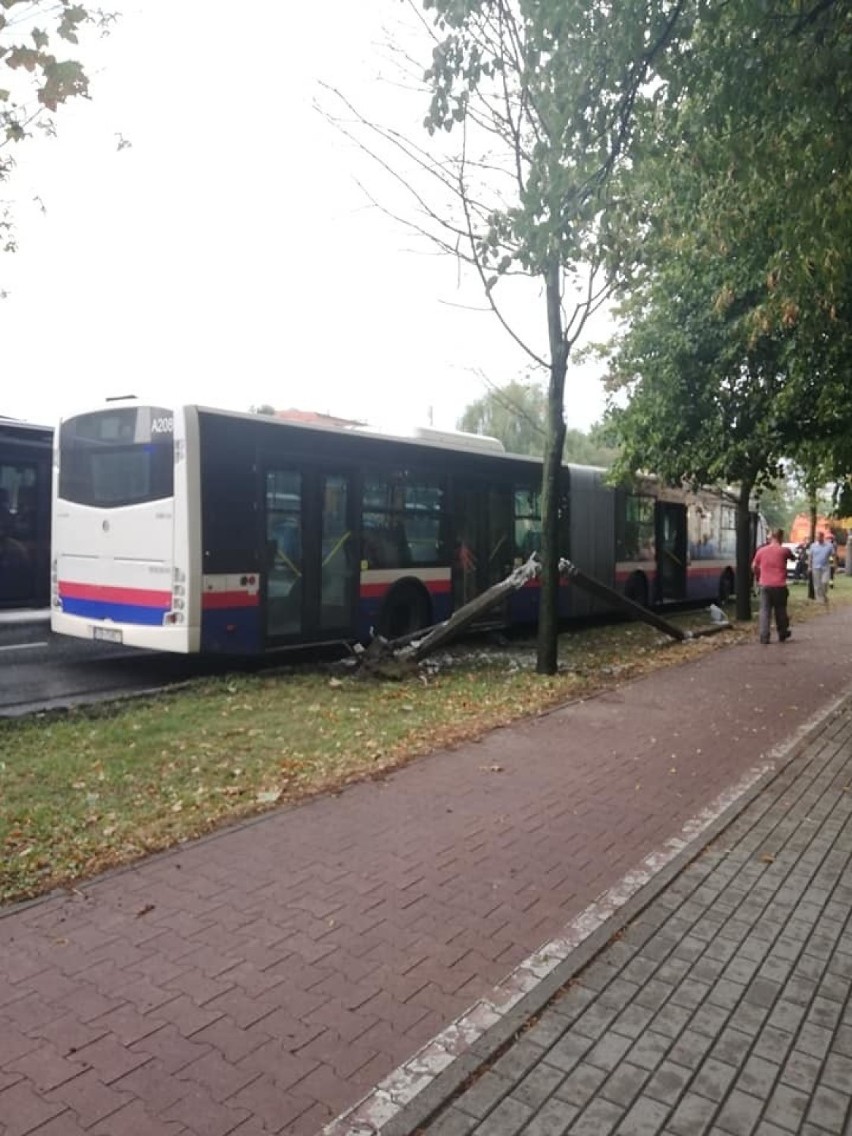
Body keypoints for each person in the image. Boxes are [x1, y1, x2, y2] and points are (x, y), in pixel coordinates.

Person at [751, 528, 794, 644]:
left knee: (765, 611)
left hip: (765, 584)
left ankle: (764, 636)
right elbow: (792, 557)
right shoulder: (784, 551)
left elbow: (754, 565)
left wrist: (758, 575)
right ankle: (782, 632)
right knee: (781, 610)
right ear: (781, 537)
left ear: (771, 537)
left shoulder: (761, 551)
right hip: (779, 585)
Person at [809, 531, 833, 605]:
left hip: (825, 567)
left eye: (819, 537)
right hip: (815, 567)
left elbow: (833, 555)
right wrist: (809, 566)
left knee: (824, 582)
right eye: (817, 537)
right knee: (817, 584)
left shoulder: (829, 546)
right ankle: (819, 600)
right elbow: (810, 556)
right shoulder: (813, 546)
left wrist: (834, 564)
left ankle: (824, 596)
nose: (818, 539)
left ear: (822, 537)